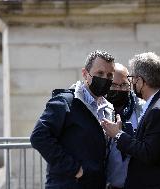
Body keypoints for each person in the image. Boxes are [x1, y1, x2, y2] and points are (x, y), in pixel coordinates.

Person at [101, 52, 160, 189]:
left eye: (132, 79)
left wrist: (118, 135)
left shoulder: (159, 111)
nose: (131, 84)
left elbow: (148, 153)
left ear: (140, 81)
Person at [30, 50, 115, 189]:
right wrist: (74, 169)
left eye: (109, 75)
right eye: (100, 73)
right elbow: (39, 136)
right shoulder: (66, 102)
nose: (105, 78)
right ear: (85, 74)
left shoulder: (107, 108)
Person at [105, 63, 144, 189]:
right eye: (113, 85)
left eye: (123, 85)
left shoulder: (142, 109)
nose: (119, 89)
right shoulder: (99, 109)